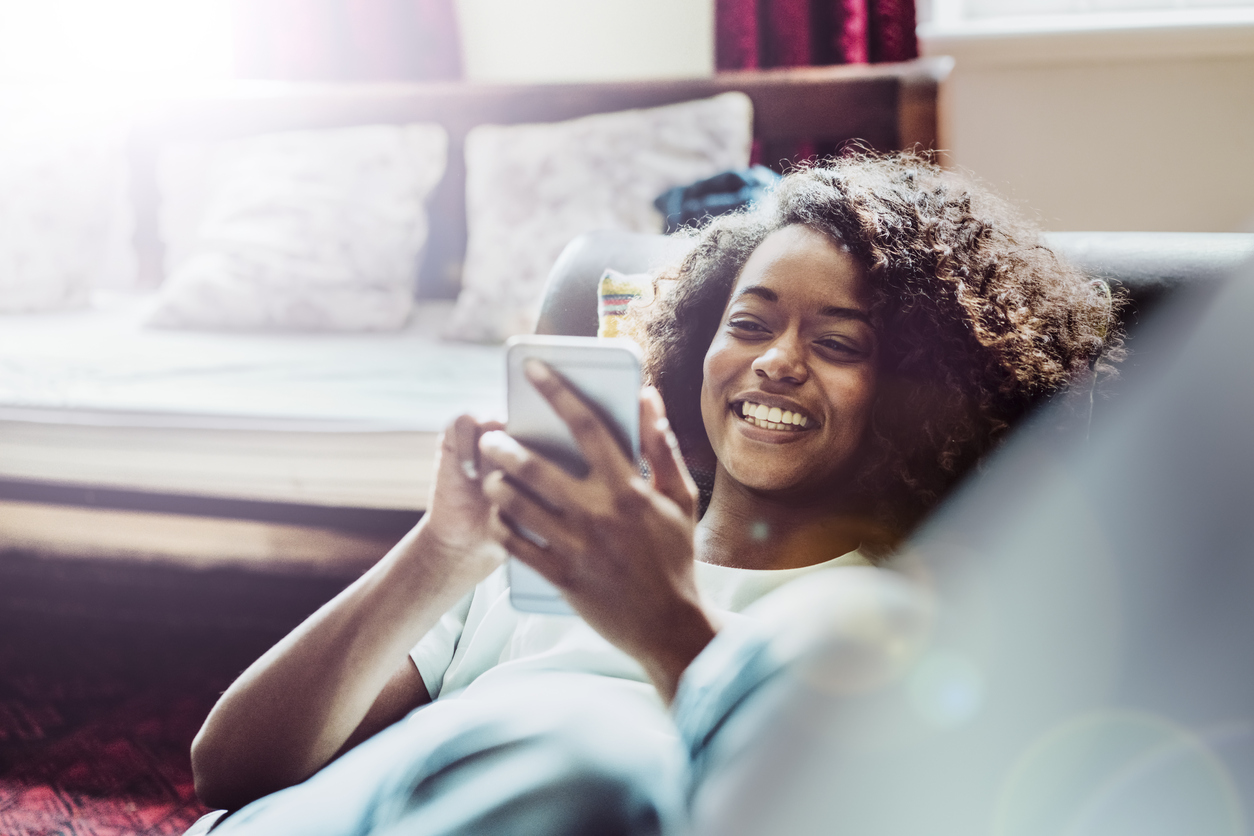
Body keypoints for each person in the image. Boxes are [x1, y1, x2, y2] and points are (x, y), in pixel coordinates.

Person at [185, 153, 1120, 835]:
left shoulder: (902, 614)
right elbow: (232, 772)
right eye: (748, 324)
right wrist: (440, 554)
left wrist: (666, 623)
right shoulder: (564, 537)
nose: (776, 362)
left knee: (594, 762)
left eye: (837, 344)